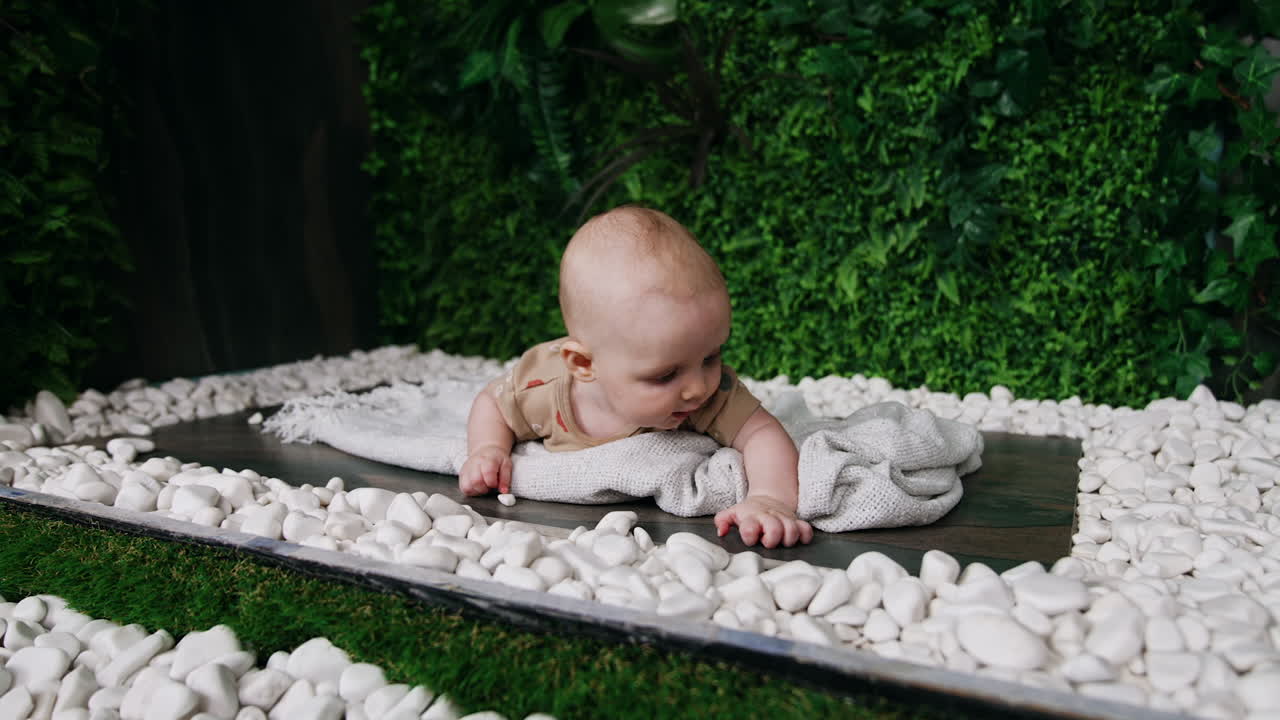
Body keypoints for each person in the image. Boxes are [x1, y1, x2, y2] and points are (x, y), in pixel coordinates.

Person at [459, 205, 812, 548]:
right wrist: (488, 448)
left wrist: (769, 498)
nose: (697, 388)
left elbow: (763, 433)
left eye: (711, 356)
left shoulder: (711, 394)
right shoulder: (542, 387)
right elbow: (494, 402)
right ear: (584, 365)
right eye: (665, 375)